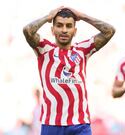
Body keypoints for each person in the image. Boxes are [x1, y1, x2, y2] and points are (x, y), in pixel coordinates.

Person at [23, 6, 115, 135]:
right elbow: (27, 31)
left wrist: (82, 16)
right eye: (59, 25)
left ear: (75, 30)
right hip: (52, 125)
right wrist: (48, 17)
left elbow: (109, 31)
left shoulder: (83, 50)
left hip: (79, 124)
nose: (64, 30)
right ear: (53, 30)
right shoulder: (44, 49)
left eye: (68, 26)